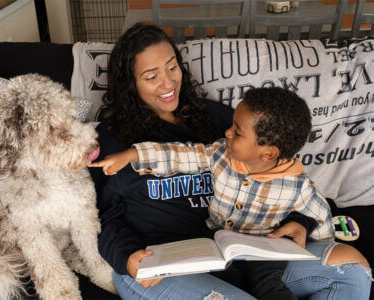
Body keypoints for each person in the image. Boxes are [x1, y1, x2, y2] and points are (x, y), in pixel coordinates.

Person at [88, 22, 372, 300]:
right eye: (151, 76)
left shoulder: (215, 119)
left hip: (242, 258)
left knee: (352, 269)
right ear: (130, 83)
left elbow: (276, 172)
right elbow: (100, 217)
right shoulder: (110, 140)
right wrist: (126, 257)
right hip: (160, 266)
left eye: (172, 67)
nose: (168, 82)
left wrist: (301, 222)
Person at [91, 87, 336, 299]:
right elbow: (178, 155)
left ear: (269, 153)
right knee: (221, 275)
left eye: (237, 132)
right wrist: (132, 155)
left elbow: (322, 220)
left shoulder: (298, 186)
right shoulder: (220, 155)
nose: (227, 133)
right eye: (231, 126)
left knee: (269, 287)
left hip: (264, 251)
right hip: (216, 241)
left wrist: (303, 225)